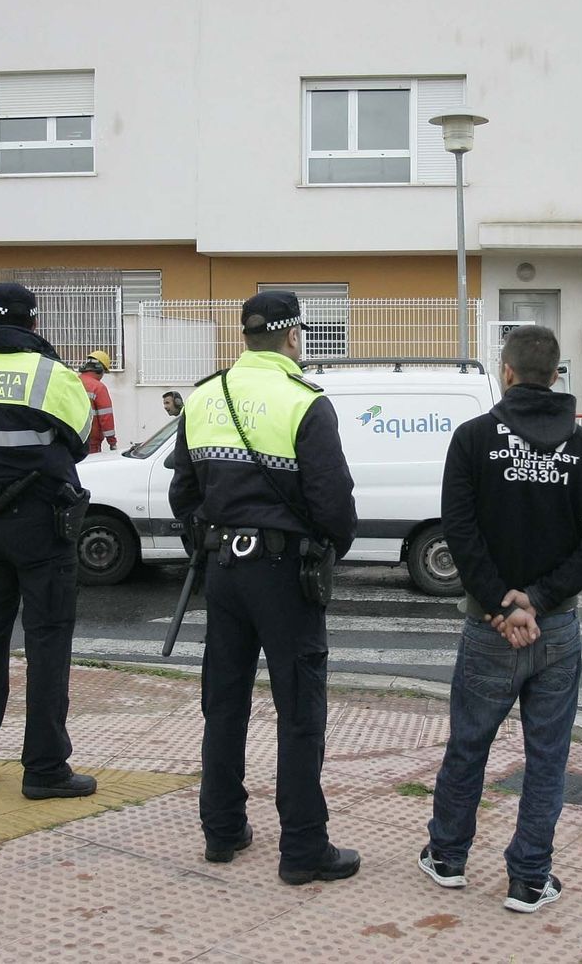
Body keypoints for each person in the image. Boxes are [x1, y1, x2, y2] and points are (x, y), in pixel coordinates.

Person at [421, 325, 582, 914]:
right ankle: (529, 878)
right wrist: (540, 598)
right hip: (555, 628)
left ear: (505, 372)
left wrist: (501, 604)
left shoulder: (474, 439)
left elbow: (459, 529)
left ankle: (449, 857)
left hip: (489, 627)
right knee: (549, 754)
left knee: (469, 743)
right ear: (556, 375)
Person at [168, 290, 360, 885]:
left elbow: (183, 495)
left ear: (246, 335)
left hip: (224, 570)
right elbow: (334, 506)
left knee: (223, 705)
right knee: (299, 710)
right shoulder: (305, 402)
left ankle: (222, 832)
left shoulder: (204, 397)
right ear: (293, 336)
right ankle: (302, 849)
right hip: (285, 576)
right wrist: (324, 553)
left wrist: (209, 541)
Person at [0, 282, 96, 800]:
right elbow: (81, 440)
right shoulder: (51, 374)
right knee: (47, 643)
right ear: (33, 323)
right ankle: (45, 769)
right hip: (42, 524)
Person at [78, 350, 119, 455]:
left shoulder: (72, 381)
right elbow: (106, 417)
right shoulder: (98, 387)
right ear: (100, 369)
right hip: (91, 443)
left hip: (70, 440)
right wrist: (112, 442)